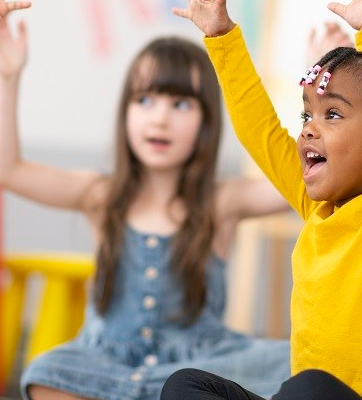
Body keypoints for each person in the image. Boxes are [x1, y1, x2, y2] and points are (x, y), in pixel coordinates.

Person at [0, 3, 294, 400]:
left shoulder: (222, 200)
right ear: (125, 113)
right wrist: (8, 76)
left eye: (180, 104)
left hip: (198, 364)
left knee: (296, 362)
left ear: (207, 121)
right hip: (103, 363)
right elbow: (10, 170)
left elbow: (301, 182)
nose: (159, 119)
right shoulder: (101, 195)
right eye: (145, 100)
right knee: (46, 374)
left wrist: (332, 107)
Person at [164, 0, 362, 399]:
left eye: (334, 115)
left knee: (309, 386)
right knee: (185, 386)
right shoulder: (317, 208)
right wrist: (221, 37)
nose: (309, 130)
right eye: (308, 115)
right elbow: (262, 132)